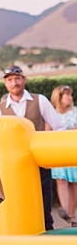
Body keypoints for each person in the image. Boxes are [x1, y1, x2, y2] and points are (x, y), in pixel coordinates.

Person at [0, 65, 64, 230]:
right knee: (17, 214)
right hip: (13, 172)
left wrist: (49, 155)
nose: (14, 83)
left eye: (17, 78)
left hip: (40, 166)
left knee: (45, 213)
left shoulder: (40, 100)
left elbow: (58, 127)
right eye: (9, 80)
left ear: (24, 80)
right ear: (5, 83)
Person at [49, 85, 77, 227]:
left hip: (73, 151)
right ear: (59, 98)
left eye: (70, 95)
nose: (70, 98)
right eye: (67, 95)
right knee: (61, 181)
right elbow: (46, 133)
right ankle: (65, 210)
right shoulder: (52, 113)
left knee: (73, 184)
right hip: (57, 152)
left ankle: (72, 217)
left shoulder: (75, 112)